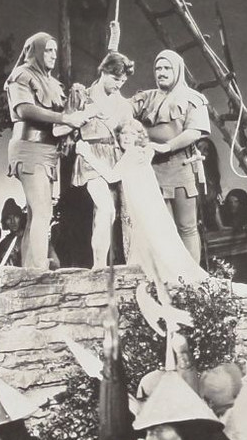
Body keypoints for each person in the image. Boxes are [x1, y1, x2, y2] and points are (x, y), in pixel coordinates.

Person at [76, 120, 209, 288]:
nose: (126, 138)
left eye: (132, 134)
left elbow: (112, 176)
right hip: (142, 207)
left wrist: (87, 154)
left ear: (139, 137)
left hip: (145, 208)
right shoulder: (137, 153)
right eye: (123, 133)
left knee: (155, 245)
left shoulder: (134, 153)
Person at [4, 32, 84, 269]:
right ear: (36, 51)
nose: (53, 56)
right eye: (48, 50)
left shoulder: (53, 83)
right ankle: (38, 269)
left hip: (48, 152)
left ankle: (30, 269)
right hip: (29, 148)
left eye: (55, 51)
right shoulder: (22, 75)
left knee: (36, 215)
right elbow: (24, 109)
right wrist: (65, 118)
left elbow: (63, 119)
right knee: (42, 211)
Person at [132, 50, 211, 265]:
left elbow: (194, 131)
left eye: (167, 68)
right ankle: (168, 275)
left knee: (187, 227)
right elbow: (122, 111)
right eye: (158, 68)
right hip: (150, 170)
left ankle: (192, 280)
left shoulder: (192, 98)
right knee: (160, 228)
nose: (162, 72)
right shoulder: (145, 97)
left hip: (180, 167)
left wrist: (166, 147)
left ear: (177, 70)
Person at [72, 50, 136, 268]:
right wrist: (80, 118)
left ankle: (114, 263)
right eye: (116, 79)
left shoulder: (123, 104)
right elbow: (58, 128)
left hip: (115, 158)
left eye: (124, 81)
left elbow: (130, 134)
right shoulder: (83, 95)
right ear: (104, 72)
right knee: (106, 208)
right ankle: (98, 267)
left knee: (113, 215)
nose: (120, 85)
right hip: (90, 156)